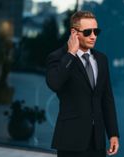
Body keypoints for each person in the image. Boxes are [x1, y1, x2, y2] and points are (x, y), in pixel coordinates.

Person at [46, 10, 119, 157]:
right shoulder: (58, 57)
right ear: (74, 33)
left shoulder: (101, 59)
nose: (93, 36)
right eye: (88, 32)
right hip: (70, 141)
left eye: (96, 31)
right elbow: (54, 83)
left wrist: (113, 134)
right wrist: (71, 55)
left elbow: (107, 99)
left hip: (97, 141)